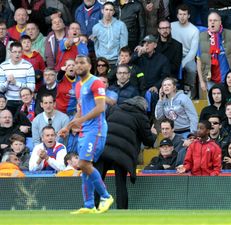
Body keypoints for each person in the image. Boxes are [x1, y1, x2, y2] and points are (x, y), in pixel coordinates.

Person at [58, 55, 113, 214]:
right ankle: (89, 205)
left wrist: (80, 120)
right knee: (85, 167)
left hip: (96, 130)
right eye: (76, 63)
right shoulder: (78, 85)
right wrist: (68, 126)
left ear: (90, 65)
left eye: (82, 62)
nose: (78, 65)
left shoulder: (96, 82)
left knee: (83, 164)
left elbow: (101, 107)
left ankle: (105, 196)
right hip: (84, 131)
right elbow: (81, 109)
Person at [98, 96, 156, 209]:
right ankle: (122, 210)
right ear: (143, 107)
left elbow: (103, 124)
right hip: (122, 153)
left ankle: (92, 206)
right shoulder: (141, 116)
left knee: (98, 180)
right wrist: (153, 133)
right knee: (121, 183)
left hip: (104, 148)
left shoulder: (114, 109)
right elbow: (148, 140)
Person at [197, 11, 231, 91]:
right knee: (214, 103)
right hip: (211, 80)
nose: (212, 23)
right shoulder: (202, 37)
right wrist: (201, 81)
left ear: (220, 22)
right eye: (210, 20)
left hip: (230, 80)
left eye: (215, 20)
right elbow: (199, 61)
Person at [171, 4, 199, 96]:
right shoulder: (171, 26)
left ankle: (188, 88)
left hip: (187, 56)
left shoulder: (194, 30)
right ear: (177, 15)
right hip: (173, 55)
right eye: (180, 14)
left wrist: (183, 63)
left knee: (192, 69)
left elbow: (193, 51)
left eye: (184, 14)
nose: (182, 17)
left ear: (188, 16)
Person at [0, 41, 35, 115]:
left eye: (19, 52)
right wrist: (7, 82)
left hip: (24, 100)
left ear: (22, 52)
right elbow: (1, 88)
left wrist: (16, 83)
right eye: (15, 52)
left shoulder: (28, 66)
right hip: (8, 100)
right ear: (10, 52)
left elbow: (32, 88)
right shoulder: (3, 66)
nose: (17, 54)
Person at [92, 1, 128, 66]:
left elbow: (123, 45)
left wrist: (120, 60)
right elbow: (96, 44)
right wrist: (98, 57)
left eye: (111, 10)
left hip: (116, 61)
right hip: (101, 61)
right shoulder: (96, 27)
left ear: (113, 12)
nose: (108, 12)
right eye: (106, 9)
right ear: (102, 11)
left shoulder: (121, 25)